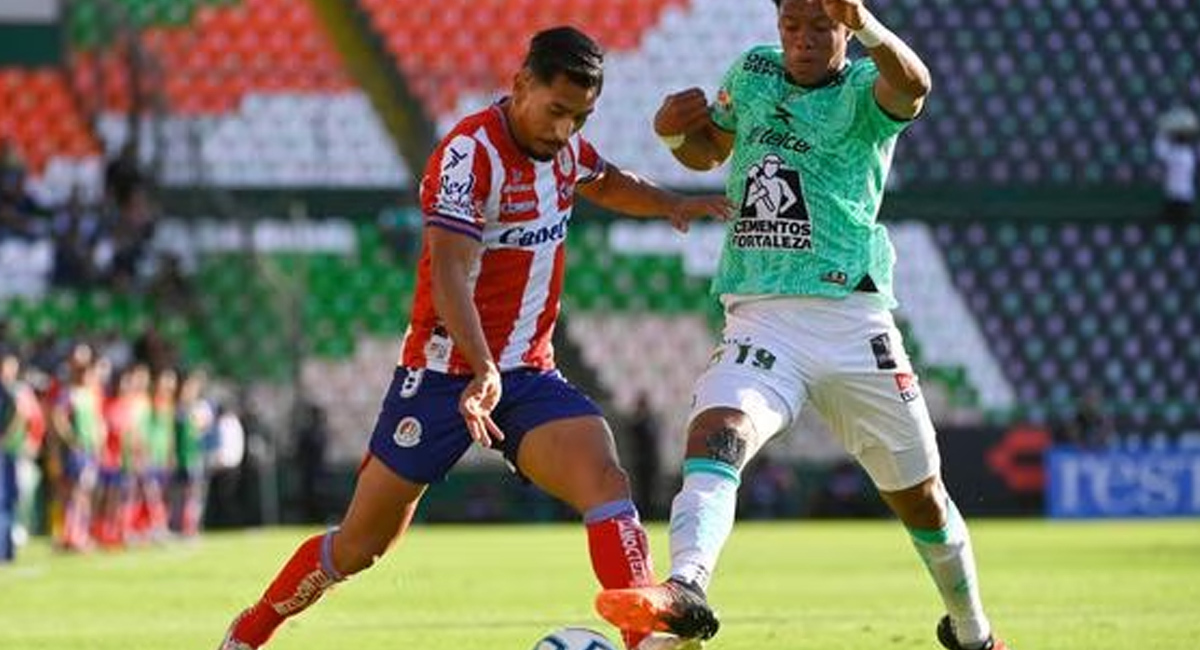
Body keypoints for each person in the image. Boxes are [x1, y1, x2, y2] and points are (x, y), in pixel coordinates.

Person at [217, 26, 730, 650]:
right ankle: (251, 630)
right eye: (557, 111)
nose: (566, 129)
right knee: (360, 546)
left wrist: (672, 204)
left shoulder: (564, 150)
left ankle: (643, 636)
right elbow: (450, 269)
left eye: (580, 117)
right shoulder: (468, 154)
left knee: (604, 477)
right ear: (521, 84)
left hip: (528, 374)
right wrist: (481, 367)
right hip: (440, 376)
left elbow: (606, 179)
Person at [595, 2, 1011, 650]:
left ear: (846, 27)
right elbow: (710, 153)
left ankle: (972, 631)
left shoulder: (863, 91)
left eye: (821, 27)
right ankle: (685, 588)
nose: (804, 40)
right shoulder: (753, 73)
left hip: (852, 319)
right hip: (761, 315)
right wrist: (674, 133)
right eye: (793, 25)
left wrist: (870, 24)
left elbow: (916, 87)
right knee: (716, 433)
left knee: (922, 499)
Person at [1154, 106, 1198, 226]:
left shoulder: (1174, 154)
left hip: (1176, 199)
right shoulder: (1189, 154)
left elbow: (1159, 147)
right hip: (1183, 199)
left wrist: (1163, 129)